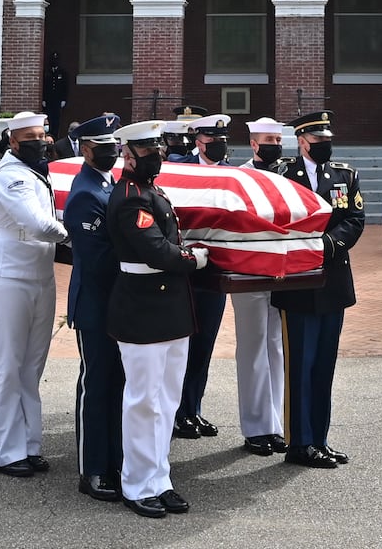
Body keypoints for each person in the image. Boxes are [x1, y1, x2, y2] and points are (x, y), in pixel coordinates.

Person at [106, 120, 207, 519]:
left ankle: (159, 478)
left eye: (158, 149)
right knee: (143, 401)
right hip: (142, 308)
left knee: (166, 400)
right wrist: (193, 259)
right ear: (128, 155)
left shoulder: (151, 191)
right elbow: (156, 252)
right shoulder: (130, 197)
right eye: (148, 151)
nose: (158, 157)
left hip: (169, 308)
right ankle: (136, 483)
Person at [274, 111, 365, 469]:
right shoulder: (282, 176)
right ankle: (299, 442)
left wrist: (328, 243)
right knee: (300, 365)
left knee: (324, 365)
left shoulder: (344, 175)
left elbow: (355, 220)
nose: (324, 146)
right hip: (296, 283)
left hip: (332, 279)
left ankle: (320, 439)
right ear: (301, 141)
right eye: (317, 141)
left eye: (327, 140)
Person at [0, 111, 67, 478]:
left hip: (39, 274)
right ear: (13, 142)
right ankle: (4, 451)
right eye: (30, 136)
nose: (40, 141)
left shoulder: (34, 173)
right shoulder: (12, 176)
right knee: (6, 366)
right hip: (8, 276)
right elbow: (36, 223)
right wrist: (76, 234)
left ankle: (29, 444)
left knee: (31, 367)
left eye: (42, 135)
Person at [62, 113, 125, 502]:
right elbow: (98, 258)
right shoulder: (85, 192)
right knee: (97, 385)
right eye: (104, 148)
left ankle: (113, 461)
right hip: (96, 303)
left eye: (115, 147)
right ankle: (92, 470)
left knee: (117, 384)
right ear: (86, 150)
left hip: (117, 301)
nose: (112, 153)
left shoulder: (108, 183)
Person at [173, 112, 232, 440]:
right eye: (213, 142)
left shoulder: (229, 174)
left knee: (204, 344)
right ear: (198, 142)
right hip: (182, 272)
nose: (220, 146)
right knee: (179, 344)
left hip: (214, 271)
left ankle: (193, 410)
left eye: (223, 141)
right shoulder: (178, 167)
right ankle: (175, 411)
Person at [234, 117, 289, 456]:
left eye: (278, 140)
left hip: (284, 272)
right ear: (254, 144)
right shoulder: (240, 177)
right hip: (250, 270)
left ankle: (277, 424)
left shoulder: (291, 175)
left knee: (277, 348)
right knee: (253, 348)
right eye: (268, 139)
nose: (275, 145)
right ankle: (256, 428)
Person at [42, 52, 70, 140]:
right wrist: (44, 99)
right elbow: (44, 86)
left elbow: (65, 86)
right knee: (49, 118)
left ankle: (55, 136)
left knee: (56, 119)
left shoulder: (62, 73)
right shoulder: (47, 72)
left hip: (58, 100)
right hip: (49, 100)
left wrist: (64, 99)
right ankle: (49, 136)